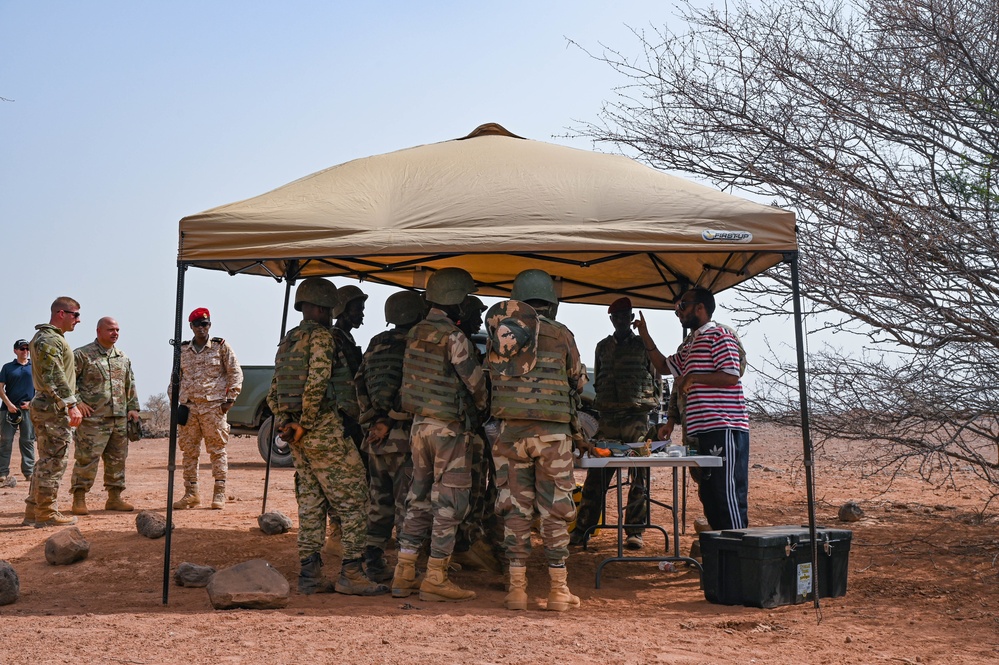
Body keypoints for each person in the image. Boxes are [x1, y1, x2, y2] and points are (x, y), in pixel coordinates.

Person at [266, 277, 388, 596]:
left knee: (311, 503)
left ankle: (309, 575)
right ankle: (352, 573)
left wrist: (286, 423)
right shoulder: (321, 337)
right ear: (322, 307)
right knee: (355, 500)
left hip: (298, 438)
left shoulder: (289, 340)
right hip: (323, 432)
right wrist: (305, 423)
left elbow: (275, 388)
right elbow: (318, 384)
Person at [488, 269, 589, 612]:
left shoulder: (500, 333)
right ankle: (558, 591)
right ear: (552, 302)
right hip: (552, 435)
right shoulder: (562, 334)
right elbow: (579, 379)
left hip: (510, 433)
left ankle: (517, 590)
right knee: (556, 509)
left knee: (514, 509)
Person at [391, 267, 488, 602]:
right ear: (456, 300)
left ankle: (403, 574)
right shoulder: (453, 337)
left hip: (419, 426)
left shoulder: (415, 332)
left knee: (417, 499)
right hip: (448, 428)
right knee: (449, 502)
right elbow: (474, 384)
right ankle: (435, 576)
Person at [636, 287, 750, 531]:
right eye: (677, 307)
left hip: (723, 426)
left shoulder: (720, 335)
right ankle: (720, 558)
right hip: (700, 432)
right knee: (709, 496)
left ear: (701, 308)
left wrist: (694, 377)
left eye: (683, 306)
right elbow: (664, 367)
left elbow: (730, 375)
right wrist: (645, 334)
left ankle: (737, 556)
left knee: (726, 494)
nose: (678, 311)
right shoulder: (689, 345)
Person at [572, 297, 660, 550]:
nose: (622, 320)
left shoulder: (643, 345)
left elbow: (656, 378)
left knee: (639, 477)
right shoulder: (602, 347)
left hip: (636, 418)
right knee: (597, 477)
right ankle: (583, 529)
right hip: (609, 419)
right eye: (618, 316)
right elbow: (597, 380)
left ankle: (635, 531)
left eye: (626, 316)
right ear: (612, 319)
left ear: (631, 318)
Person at [355, 290, 425, 583]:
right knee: (406, 506)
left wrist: (372, 419)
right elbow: (411, 388)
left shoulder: (375, 343)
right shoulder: (415, 344)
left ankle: (373, 563)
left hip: (375, 440)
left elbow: (359, 382)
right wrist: (392, 419)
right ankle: (404, 569)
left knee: (378, 504)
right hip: (402, 439)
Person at [170, 307, 242, 510]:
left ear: (209, 325)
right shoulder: (182, 350)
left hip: (213, 408)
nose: (202, 328)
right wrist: (176, 402)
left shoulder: (221, 347)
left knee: (217, 451)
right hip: (189, 408)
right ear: (191, 327)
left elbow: (235, 373)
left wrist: (230, 399)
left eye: (205, 324)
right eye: (197, 324)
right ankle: (191, 493)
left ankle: (219, 493)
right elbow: (175, 379)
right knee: (189, 452)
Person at [452, 294, 504, 573]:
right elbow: (476, 389)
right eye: (475, 315)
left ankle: (470, 540)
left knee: (474, 487)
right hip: (467, 429)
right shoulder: (459, 343)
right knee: (469, 488)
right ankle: (465, 544)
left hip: (472, 429)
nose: (478, 321)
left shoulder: (467, 344)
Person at [69, 317, 141, 515]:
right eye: (110, 329)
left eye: (117, 329)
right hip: (93, 419)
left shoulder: (122, 358)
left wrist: (133, 408)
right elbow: (68, 381)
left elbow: (130, 385)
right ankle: (79, 498)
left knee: (117, 460)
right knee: (87, 459)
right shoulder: (82, 355)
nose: (115, 333)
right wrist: (77, 402)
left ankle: (115, 498)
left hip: (118, 418)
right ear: (99, 330)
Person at [24, 297, 84, 527]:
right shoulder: (48, 339)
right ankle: (47, 513)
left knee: (46, 460)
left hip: (50, 405)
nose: (78, 320)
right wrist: (71, 404)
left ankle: (33, 510)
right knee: (54, 461)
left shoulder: (52, 338)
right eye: (75, 315)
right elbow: (54, 376)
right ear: (61, 313)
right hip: (53, 406)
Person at [331, 284, 367, 467]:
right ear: (343, 310)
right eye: (357, 309)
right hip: (343, 415)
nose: (361, 315)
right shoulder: (336, 339)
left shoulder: (345, 338)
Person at [0, 339, 36, 488]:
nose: (25, 351)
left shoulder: (34, 367)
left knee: (27, 441)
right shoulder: (7, 368)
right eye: (22, 348)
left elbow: (41, 389)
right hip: (8, 410)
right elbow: (0, 388)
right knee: (5, 441)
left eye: (27, 348)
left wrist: (31, 404)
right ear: (15, 350)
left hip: (28, 409)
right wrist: (9, 405)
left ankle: (29, 472)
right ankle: (2, 473)